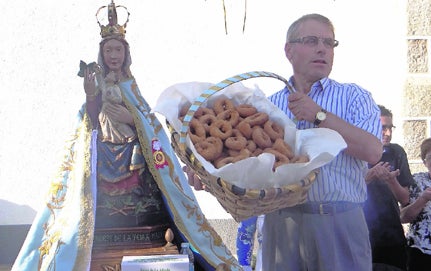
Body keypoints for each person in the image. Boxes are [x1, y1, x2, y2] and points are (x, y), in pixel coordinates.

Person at [11, 1, 240, 270]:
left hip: (130, 145)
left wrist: (132, 119)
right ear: (101, 53)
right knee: (96, 170)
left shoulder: (131, 85)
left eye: (118, 49)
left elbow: (147, 122)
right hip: (105, 145)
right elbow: (90, 121)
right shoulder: (95, 82)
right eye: (108, 50)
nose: (113, 55)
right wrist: (90, 95)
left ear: (126, 53)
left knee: (141, 166)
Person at [264, 13, 382, 271]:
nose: (322, 49)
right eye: (312, 40)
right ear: (289, 50)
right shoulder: (267, 105)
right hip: (282, 224)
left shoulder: (355, 97)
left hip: (340, 223)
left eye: (329, 43)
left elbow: (373, 151)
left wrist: (319, 116)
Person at [363, 105, 413, 270]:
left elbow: (405, 198)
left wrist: (391, 180)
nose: (388, 133)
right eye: (383, 127)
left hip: (391, 233)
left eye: (390, 128)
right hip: (361, 232)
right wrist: (370, 176)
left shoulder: (397, 152)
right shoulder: (354, 151)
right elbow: (344, 191)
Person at [400, 138, 431, 271]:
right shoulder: (416, 181)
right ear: (424, 162)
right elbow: (403, 217)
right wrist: (423, 199)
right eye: (430, 157)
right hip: (420, 251)